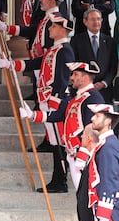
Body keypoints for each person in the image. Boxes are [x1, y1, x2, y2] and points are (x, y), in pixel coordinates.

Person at [0, 12, 75, 193]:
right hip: (46, 99)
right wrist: (13, 65)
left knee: (58, 142)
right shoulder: (55, 49)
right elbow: (38, 63)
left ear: (63, 29)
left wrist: (55, 103)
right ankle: (58, 179)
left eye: (53, 26)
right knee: (54, 141)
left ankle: (60, 180)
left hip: (53, 102)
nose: (50, 28)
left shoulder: (65, 50)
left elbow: (64, 80)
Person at [20, 60, 105, 192]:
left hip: (85, 155)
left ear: (86, 77)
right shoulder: (77, 96)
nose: (71, 77)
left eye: (76, 74)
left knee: (88, 195)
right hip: (73, 153)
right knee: (82, 195)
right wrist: (32, 114)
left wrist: (83, 154)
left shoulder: (93, 98)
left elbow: (93, 129)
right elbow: (59, 115)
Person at [70, 8, 118, 104]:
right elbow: (74, 64)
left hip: (104, 91)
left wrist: (104, 83)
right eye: (92, 19)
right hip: (82, 90)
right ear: (85, 21)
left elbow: (113, 67)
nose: (96, 22)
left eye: (98, 19)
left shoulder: (110, 41)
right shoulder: (77, 40)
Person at [87, 104, 119, 221]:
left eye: (98, 116)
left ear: (108, 121)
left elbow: (109, 180)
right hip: (105, 208)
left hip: (110, 210)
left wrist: (104, 217)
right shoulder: (107, 143)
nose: (93, 118)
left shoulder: (108, 146)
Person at [76, 124, 99, 221]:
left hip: (93, 217)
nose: (81, 136)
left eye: (83, 134)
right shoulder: (91, 156)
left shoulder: (98, 158)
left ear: (89, 138)